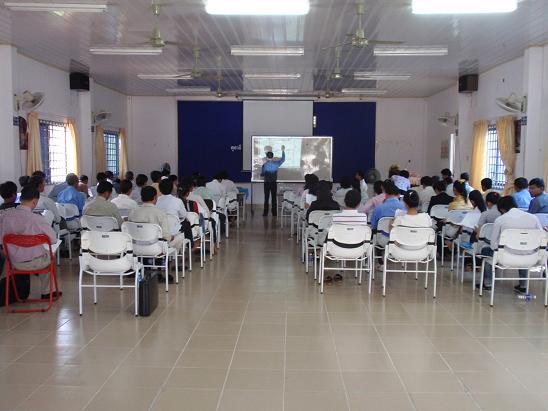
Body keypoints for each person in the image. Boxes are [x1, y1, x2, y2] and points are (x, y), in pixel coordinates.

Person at [0, 185, 61, 299]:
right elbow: (52, 239)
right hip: (35, 262)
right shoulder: (37, 219)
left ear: (20, 198)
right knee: (49, 256)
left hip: (13, 262)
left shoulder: (5, 217)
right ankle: (47, 291)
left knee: (43, 255)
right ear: (35, 201)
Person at [479, 196, 543, 293]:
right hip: (531, 257)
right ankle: (523, 285)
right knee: (524, 249)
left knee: (485, 249)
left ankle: (488, 284)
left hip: (505, 258)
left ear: (501, 208)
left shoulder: (501, 219)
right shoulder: (533, 218)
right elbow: (541, 238)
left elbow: (493, 245)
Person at [129, 186, 186, 282]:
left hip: (135, 247)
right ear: (155, 198)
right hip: (155, 248)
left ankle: (146, 266)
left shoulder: (133, 212)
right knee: (180, 236)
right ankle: (164, 265)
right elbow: (166, 237)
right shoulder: (160, 213)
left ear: (142, 198)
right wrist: (172, 237)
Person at [156, 179, 195, 248]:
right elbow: (184, 215)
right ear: (171, 189)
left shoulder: (157, 200)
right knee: (187, 223)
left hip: (160, 230)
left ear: (160, 189)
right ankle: (190, 245)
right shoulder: (177, 201)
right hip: (173, 230)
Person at [260, 145, 286, 216]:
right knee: (274, 198)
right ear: (273, 156)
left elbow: (262, 174)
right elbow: (283, 159)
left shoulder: (264, 165)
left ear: (267, 157)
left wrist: (262, 174)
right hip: (274, 183)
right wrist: (283, 151)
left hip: (267, 183)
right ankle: (274, 213)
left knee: (266, 198)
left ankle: (265, 213)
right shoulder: (276, 164)